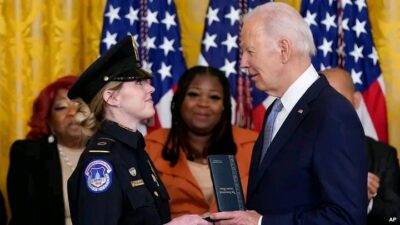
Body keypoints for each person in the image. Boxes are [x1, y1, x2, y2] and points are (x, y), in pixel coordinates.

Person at [211, 2, 367, 225]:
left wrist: (261, 223)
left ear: (284, 50)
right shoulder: (277, 109)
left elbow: (346, 218)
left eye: (250, 51)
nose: (243, 63)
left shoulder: (332, 113)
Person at [67, 36, 209, 225]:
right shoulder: (101, 162)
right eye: (139, 83)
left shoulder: (133, 150)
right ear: (112, 98)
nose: (150, 89)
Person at [145, 66, 258, 218]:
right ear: (179, 101)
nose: (203, 103)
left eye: (214, 97)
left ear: (225, 106)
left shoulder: (254, 145)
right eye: (193, 94)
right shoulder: (150, 146)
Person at [322, 67, 400, 225]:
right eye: (321, 100)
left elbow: (395, 218)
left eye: (337, 99)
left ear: (355, 101)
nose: (328, 108)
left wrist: (366, 202)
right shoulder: (296, 149)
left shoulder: (383, 156)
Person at [7, 75, 85, 225]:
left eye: (79, 105)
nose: (72, 112)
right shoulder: (28, 154)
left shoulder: (112, 152)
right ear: (48, 120)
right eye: (61, 107)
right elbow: (26, 217)